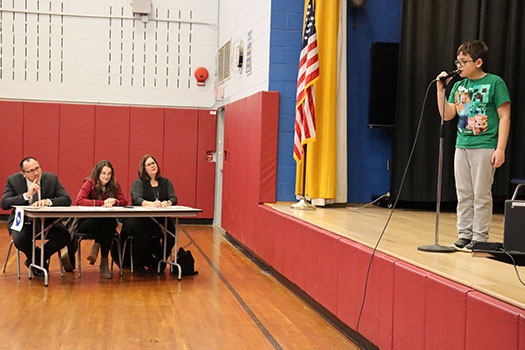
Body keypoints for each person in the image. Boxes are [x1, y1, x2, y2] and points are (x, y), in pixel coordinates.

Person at [436, 40, 511, 250]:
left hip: (485, 144)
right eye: (457, 62)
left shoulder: (495, 83)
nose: (459, 66)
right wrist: (441, 90)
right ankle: (464, 234)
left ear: (478, 62)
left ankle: (479, 237)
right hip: (462, 144)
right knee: (464, 192)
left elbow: (505, 117)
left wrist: (500, 148)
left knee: (481, 193)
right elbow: (448, 114)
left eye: (464, 62)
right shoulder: (459, 86)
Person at [1, 157, 71, 276]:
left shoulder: (51, 179)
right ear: (23, 173)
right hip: (23, 222)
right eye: (31, 171)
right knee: (19, 239)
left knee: (64, 236)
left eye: (38, 168)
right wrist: (26, 195)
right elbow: (4, 204)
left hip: (47, 223)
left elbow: (66, 199)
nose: (36, 173)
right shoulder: (13, 181)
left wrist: (48, 201)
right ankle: (38, 260)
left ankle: (36, 260)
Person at [120, 154, 177, 272]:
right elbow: (136, 199)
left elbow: (174, 199)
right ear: (144, 168)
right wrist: (152, 204)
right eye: (148, 164)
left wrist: (167, 203)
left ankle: (159, 260)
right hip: (140, 219)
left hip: (160, 219)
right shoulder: (139, 182)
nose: (152, 166)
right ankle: (138, 263)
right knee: (142, 231)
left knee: (171, 232)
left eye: (153, 163)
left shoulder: (166, 182)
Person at [76, 160, 128, 278]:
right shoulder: (90, 182)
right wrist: (102, 203)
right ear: (98, 173)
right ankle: (103, 262)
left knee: (107, 221)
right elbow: (79, 200)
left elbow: (124, 201)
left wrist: (115, 201)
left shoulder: (114, 184)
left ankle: (97, 247)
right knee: (107, 223)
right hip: (87, 222)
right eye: (104, 173)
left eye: (109, 174)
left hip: (105, 224)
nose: (106, 176)